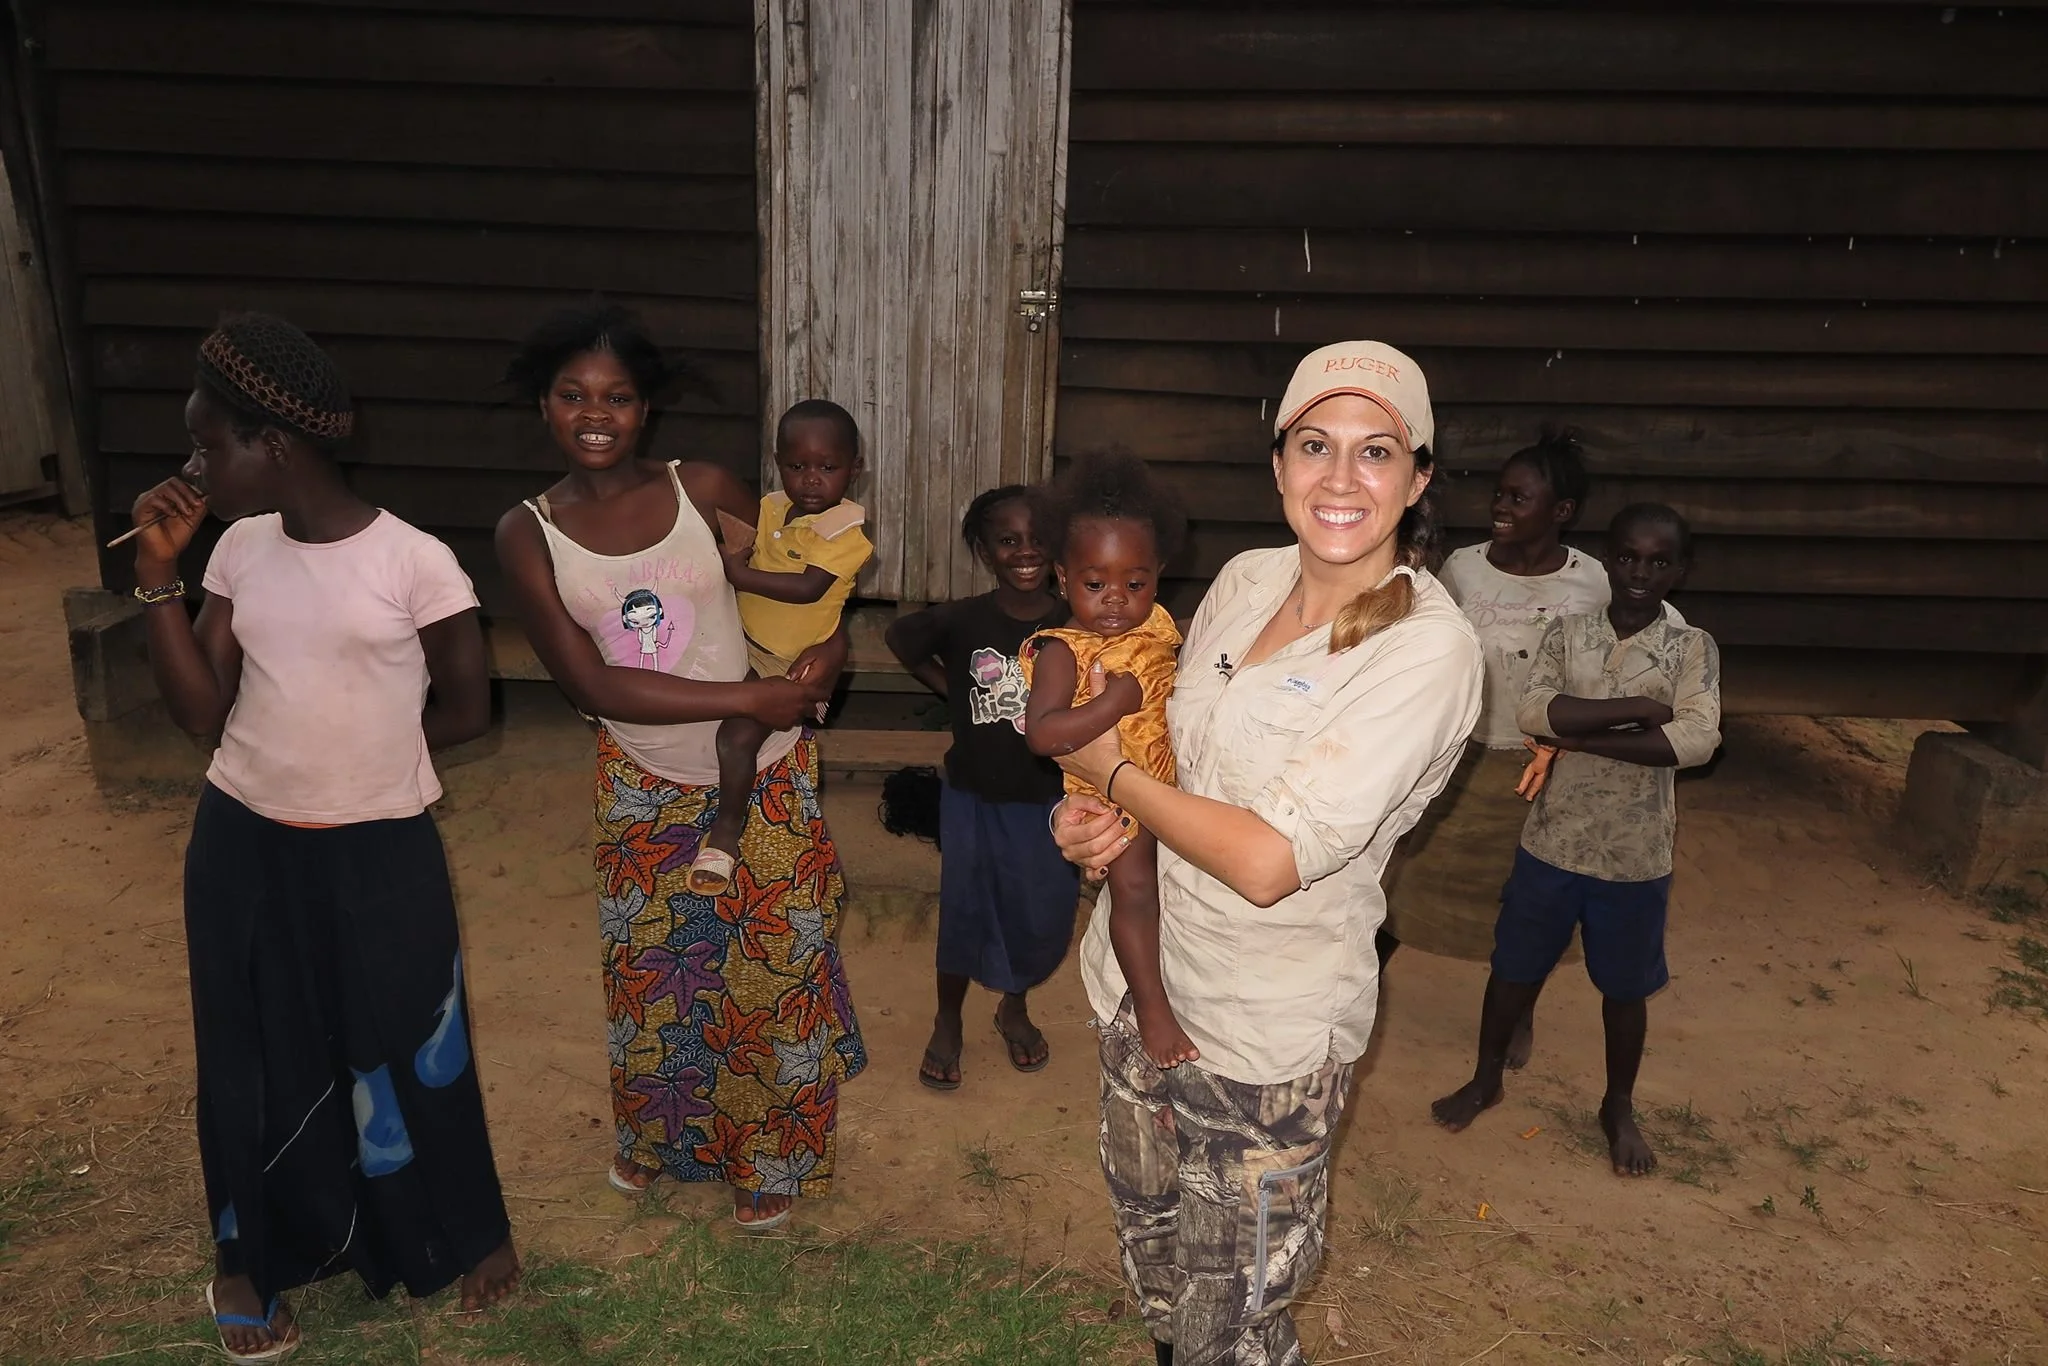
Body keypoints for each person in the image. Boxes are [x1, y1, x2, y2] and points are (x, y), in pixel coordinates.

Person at [1050, 342, 1484, 1364]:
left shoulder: (1425, 649)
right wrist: (1092, 825)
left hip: (1261, 1036)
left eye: (1374, 451)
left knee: (1235, 1313)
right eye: (1312, 446)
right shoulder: (1245, 582)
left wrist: (1107, 771)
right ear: (1278, 465)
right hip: (1136, 977)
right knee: (1153, 1254)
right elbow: (1169, 754)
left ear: (1416, 477)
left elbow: (1265, 860)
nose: (1340, 478)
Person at [128, 313, 519, 1362]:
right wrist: (159, 580)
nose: (193, 466)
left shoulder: (416, 563)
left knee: (414, 1040)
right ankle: (244, 1262)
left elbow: (470, 709)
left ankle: (462, 1232)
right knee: (248, 1050)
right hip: (242, 841)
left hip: (378, 847)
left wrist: (371, 768)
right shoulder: (240, 550)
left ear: (276, 448)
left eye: (209, 445)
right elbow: (203, 711)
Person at [492, 302, 865, 1233]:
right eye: (574, 394)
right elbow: (592, 681)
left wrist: (828, 658)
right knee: (656, 970)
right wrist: (749, 700)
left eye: (617, 397)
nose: (596, 413)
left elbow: (816, 585)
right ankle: (657, 1140)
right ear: (545, 405)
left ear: (644, 410)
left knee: (769, 969)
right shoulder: (527, 533)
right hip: (643, 779)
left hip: (767, 768)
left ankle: (767, 1153)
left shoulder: (702, 489)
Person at [1430, 503, 1721, 1178]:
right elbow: (1534, 710)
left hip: (1635, 856)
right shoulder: (1568, 633)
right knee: (1512, 967)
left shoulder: (1691, 647)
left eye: (1657, 562)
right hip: (1552, 841)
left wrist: (1579, 735)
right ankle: (1485, 1078)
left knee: (1624, 989)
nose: (1639, 573)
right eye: (1626, 558)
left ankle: (1618, 1106)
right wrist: (1642, 714)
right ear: (1607, 559)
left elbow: (1696, 741)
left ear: (1679, 569)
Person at [1377, 429, 1603, 1069]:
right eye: (1499, 493)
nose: (1501, 507)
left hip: (1544, 769)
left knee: (1526, 903)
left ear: (1561, 512)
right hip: (1465, 755)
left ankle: (1516, 1014)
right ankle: (1357, 987)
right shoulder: (1464, 569)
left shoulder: (1592, 585)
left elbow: (1607, 665)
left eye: (1520, 498)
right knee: (1403, 879)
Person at [885, 486, 1079, 1088]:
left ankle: (1013, 1006)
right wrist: (954, 692)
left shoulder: (1073, 623)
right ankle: (948, 1020)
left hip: (1048, 803)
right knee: (964, 914)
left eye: (1037, 539)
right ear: (984, 550)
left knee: (1036, 911)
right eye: (1007, 540)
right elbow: (902, 639)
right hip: (971, 798)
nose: (1024, 552)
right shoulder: (964, 618)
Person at [1020, 454, 1190, 1068]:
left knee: (1168, 891)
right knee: (1136, 891)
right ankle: (1152, 1010)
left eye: (1136, 583)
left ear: (1158, 576)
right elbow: (1044, 734)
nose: (1116, 600)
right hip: (1112, 796)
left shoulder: (1159, 627)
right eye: (1096, 585)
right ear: (1063, 579)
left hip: (1166, 781)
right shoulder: (1066, 650)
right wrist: (1115, 700)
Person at [693, 400, 873, 895]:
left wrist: (738, 572)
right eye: (798, 467)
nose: (811, 479)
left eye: (828, 468)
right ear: (778, 464)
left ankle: (725, 835)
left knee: (735, 739)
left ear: (853, 470)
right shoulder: (771, 507)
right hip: (738, 638)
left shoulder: (846, 534)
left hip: (784, 660)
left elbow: (808, 588)